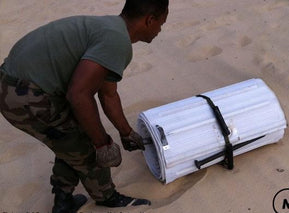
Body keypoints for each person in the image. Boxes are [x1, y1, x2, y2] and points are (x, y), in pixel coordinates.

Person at [0, 0, 169, 212]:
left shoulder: (111, 29)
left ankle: (63, 201)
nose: (160, 30)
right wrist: (102, 144)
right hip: (24, 94)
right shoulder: (116, 43)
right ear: (149, 20)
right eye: (161, 23)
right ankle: (107, 197)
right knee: (86, 144)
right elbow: (79, 95)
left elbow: (108, 94)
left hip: (16, 82)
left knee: (70, 138)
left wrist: (126, 133)